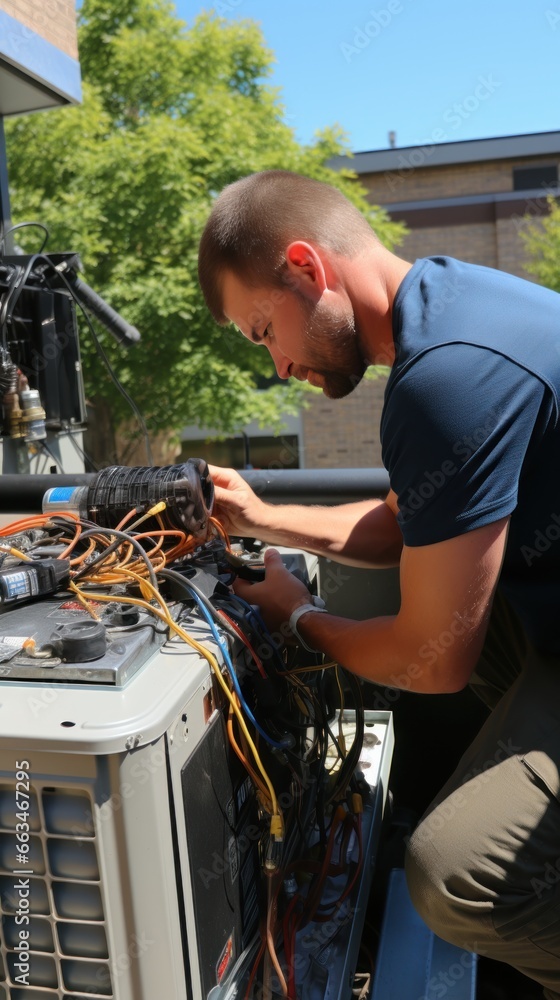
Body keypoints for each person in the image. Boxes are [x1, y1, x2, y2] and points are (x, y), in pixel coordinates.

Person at [197, 169, 560, 998]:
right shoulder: (452, 306)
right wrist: (259, 516)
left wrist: (299, 618)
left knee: (452, 873)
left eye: (263, 332)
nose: (279, 366)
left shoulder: (446, 377)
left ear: (305, 268)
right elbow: (415, 522)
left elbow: (433, 665)